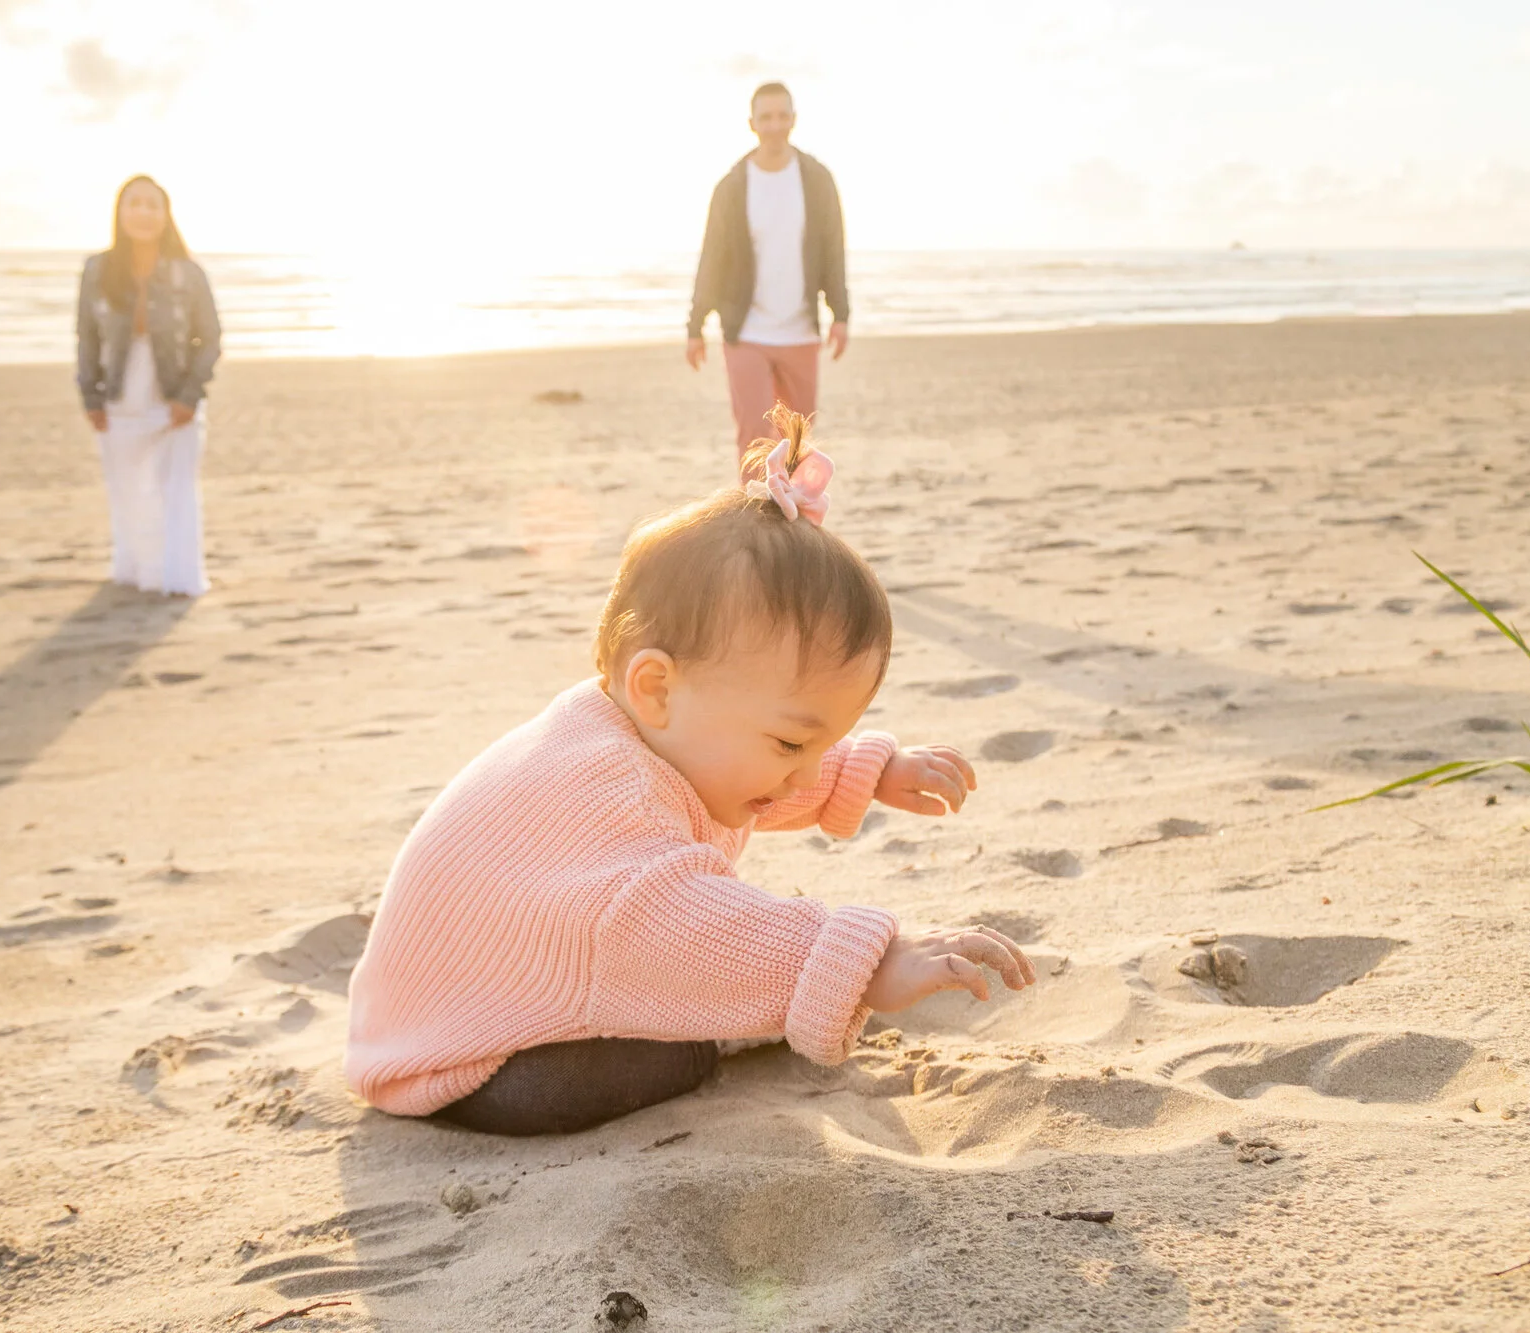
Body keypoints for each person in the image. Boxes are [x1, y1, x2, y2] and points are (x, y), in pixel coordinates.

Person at [346, 406, 1035, 1136]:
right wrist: (870, 962)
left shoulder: (631, 728)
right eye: (792, 744)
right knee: (673, 1047)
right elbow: (692, 928)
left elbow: (734, 782)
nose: (802, 777)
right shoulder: (614, 800)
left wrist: (867, 769)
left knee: (684, 975)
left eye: (826, 742)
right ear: (657, 687)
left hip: (436, 1011)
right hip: (470, 1063)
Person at [686, 82, 851, 472]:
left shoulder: (816, 179)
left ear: (793, 120)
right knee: (755, 444)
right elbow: (713, 259)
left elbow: (833, 250)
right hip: (747, 333)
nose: (775, 125)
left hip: (800, 333)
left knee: (798, 446)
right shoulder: (732, 187)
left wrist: (840, 314)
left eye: (782, 116)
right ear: (752, 123)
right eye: (766, 117)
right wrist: (695, 325)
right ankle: (755, 531)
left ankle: (795, 531)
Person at [74, 175, 221, 597]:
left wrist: (190, 395)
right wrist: (90, 397)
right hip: (120, 394)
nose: (142, 212)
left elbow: (209, 338)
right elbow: (87, 337)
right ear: (120, 213)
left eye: (151, 204)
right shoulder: (98, 270)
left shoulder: (188, 273)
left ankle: (176, 577)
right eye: (133, 203)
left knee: (174, 488)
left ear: (165, 215)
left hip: (172, 393)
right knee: (127, 488)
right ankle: (138, 569)